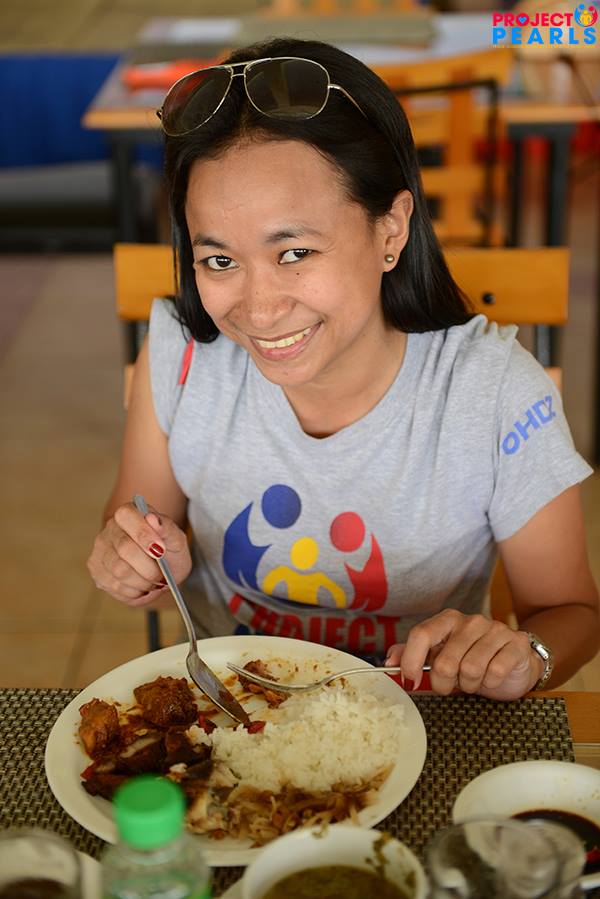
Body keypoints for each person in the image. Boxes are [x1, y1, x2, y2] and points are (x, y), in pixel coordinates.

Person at [87, 37, 599, 700]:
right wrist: (138, 561)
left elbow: (572, 613)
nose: (259, 308)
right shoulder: (183, 353)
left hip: (424, 720)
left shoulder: (489, 391)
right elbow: (136, 525)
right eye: (220, 260)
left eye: (295, 252)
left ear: (391, 230)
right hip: (234, 717)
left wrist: (527, 655)